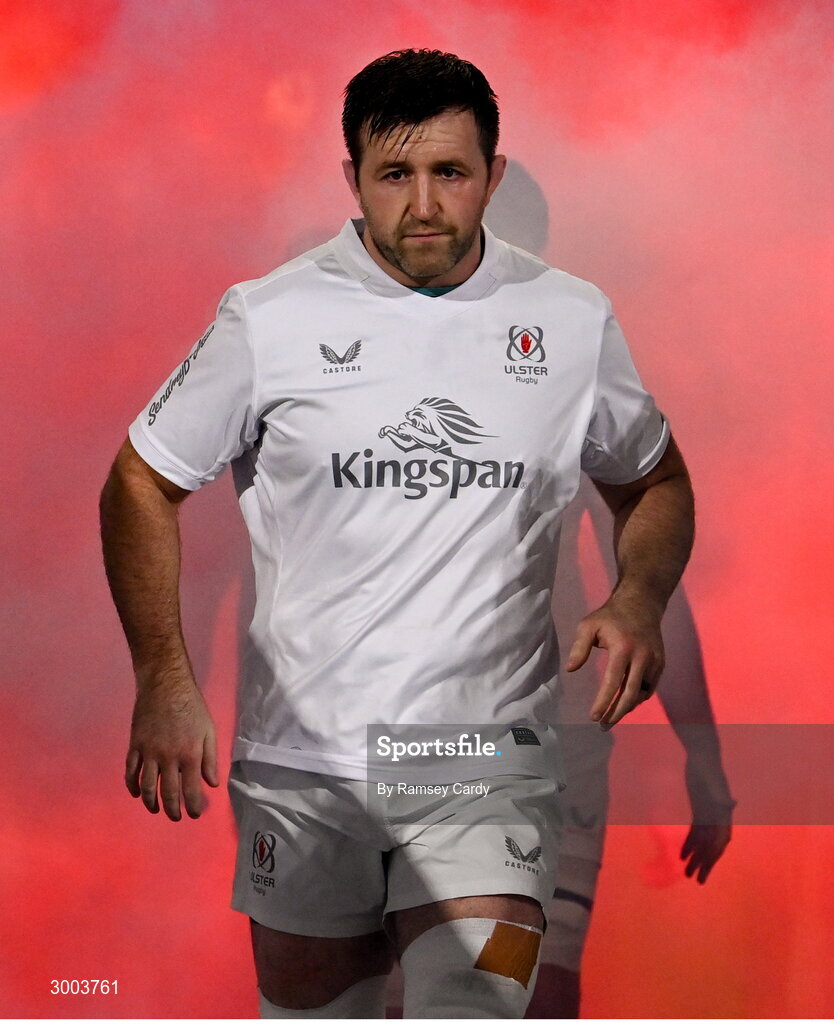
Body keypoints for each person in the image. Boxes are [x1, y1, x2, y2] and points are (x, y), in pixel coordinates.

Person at [100, 49, 695, 1019]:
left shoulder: (569, 318)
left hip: (489, 761)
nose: (423, 204)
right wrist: (164, 678)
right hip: (305, 761)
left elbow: (655, 479)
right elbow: (140, 477)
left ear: (492, 177)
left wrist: (637, 597)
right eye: (395, 175)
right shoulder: (271, 315)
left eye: (450, 174)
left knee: (477, 998)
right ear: (355, 181)